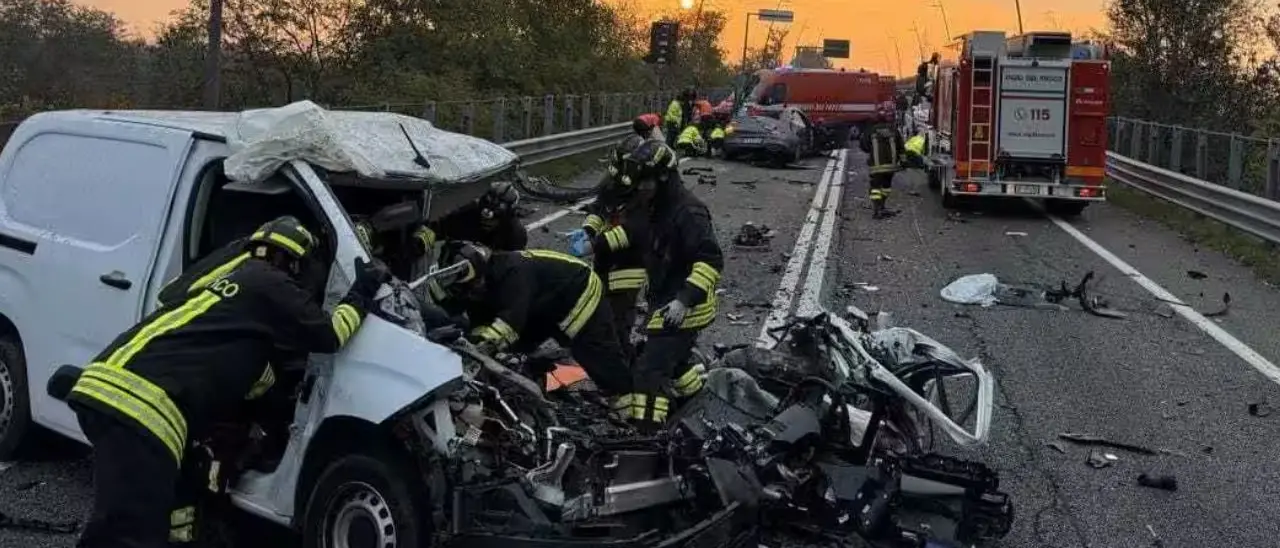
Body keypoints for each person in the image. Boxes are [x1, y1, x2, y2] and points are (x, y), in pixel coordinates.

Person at [67, 216, 388, 548]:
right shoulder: (271, 282)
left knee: (157, 503)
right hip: (143, 408)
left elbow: (171, 294)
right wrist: (362, 291)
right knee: (128, 534)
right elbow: (330, 335)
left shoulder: (224, 287)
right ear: (294, 263)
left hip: (107, 381)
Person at [612, 140, 724, 432]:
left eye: (645, 182)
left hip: (685, 306)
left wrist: (684, 300)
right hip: (664, 297)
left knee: (648, 372)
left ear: (664, 177)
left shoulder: (689, 212)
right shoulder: (656, 207)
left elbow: (710, 261)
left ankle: (647, 434)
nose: (641, 188)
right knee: (675, 362)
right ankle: (698, 403)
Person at [432, 242, 634, 398]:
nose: (471, 295)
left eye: (472, 288)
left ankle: (630, 405)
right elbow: (477, 324)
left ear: (482, 274)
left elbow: (508, 325)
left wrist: (472, 353)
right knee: (518, 349)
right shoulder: (480, 285)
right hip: (544, 303)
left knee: (594, 354)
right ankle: (535, 374)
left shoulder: (513, 274)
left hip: (577, 292)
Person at [859, 122, 905, 219]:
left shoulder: (870, 130)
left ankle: (877, 209)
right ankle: (882, 205)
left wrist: (871, 151)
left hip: (876, 166)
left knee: (875, 187)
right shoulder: (893, 130)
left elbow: (864, 146)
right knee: (886, 187)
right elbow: (901, 146)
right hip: (890, 166)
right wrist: (904, 161)